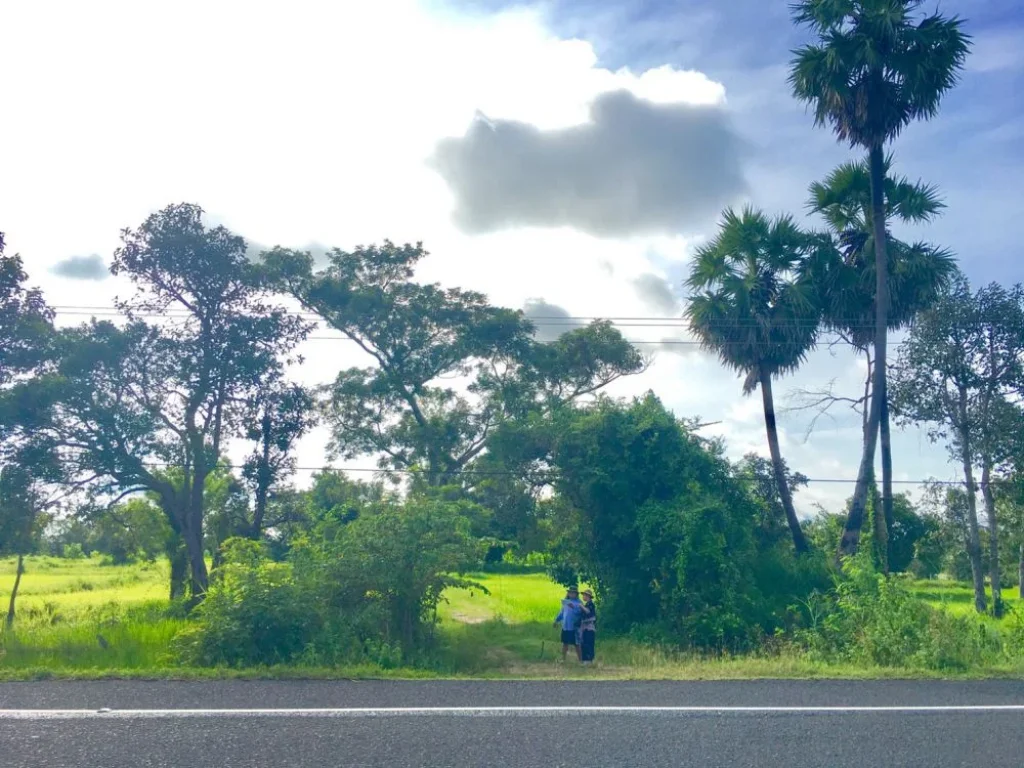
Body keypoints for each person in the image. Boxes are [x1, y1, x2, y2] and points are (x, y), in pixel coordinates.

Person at [553, 586, 582, 662]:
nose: (571, 594)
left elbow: (579, 613)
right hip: (565, 626)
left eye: (573, 593)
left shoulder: (579, 603)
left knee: (576, 644)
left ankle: (580, 660)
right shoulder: (566, 602)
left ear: (576, 594)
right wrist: (556, 620)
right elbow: (562, 613)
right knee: (565, 643)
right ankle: (563, 659)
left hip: (574, 626)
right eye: (570, 593)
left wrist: (573, 607)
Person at [578, 589, 596, 664]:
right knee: (584, 643)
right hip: (584, 627)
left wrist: (581, 607)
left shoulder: (591, 604)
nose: (583, 596)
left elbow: (588, 612)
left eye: (584, 595)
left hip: (589, 627)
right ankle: (585, 659)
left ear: (588, 596)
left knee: (588, 643)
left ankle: (589, 659)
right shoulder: (586, 604)